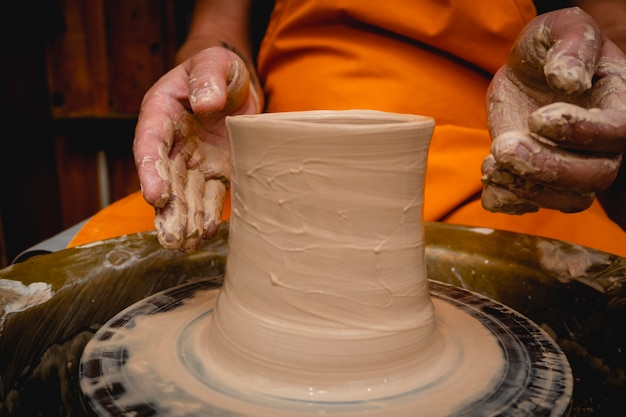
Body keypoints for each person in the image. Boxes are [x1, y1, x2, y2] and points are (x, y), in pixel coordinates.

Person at [68, 0, 626, 257]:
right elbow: (216, 29)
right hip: (278, 159)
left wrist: (580, 66)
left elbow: (608, 29)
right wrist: (210, 70)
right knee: (100, 263)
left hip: (493, 155)